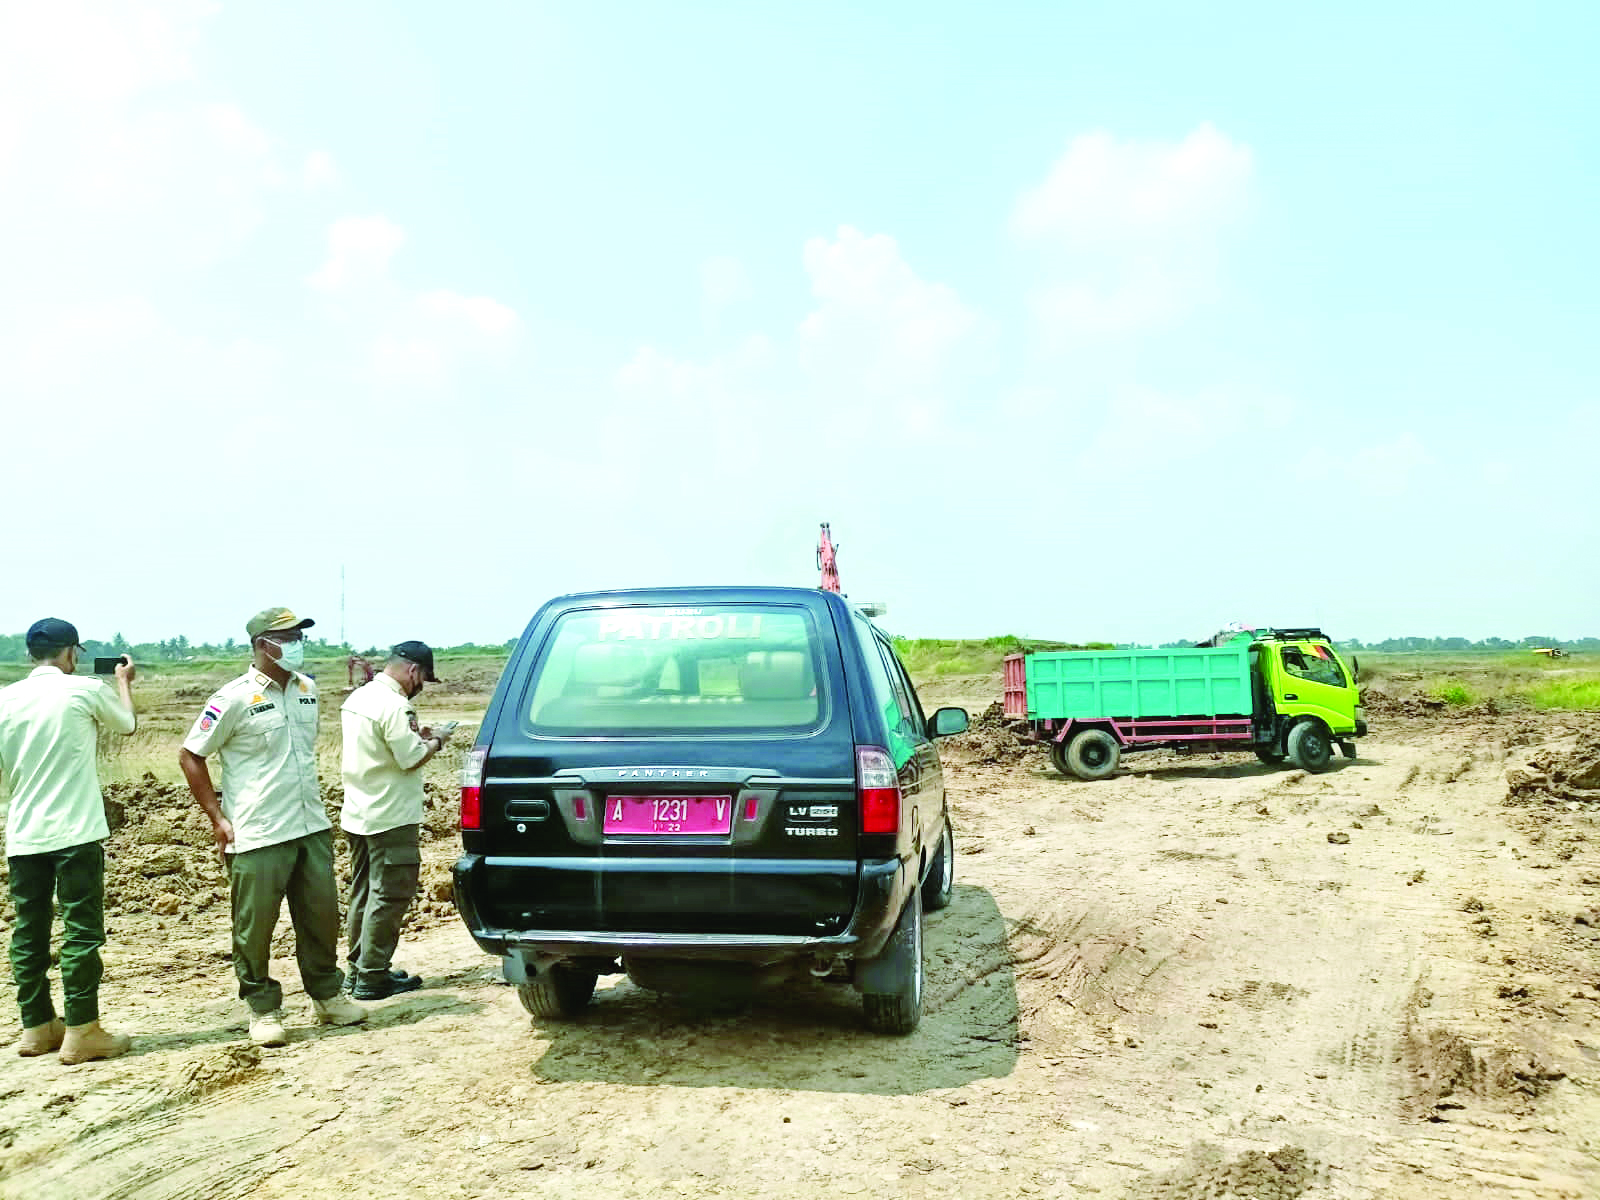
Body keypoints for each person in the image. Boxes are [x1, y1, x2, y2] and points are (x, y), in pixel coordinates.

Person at [177, 607, 367, 1046]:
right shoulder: (233, 698)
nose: (299, 643)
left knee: (320, 917)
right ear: (265, 645)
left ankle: (326, 995)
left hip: (309, 826)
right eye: (290, 636)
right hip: (258, 831)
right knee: (255, 927)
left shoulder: (307, 689)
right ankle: (263, 1009)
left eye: (300, 635)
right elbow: (191, 755)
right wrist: (217, 818)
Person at [0, 619, 136, 1064]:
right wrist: (122, 682)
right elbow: (127, 724)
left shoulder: (6, 699)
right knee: (81, 931)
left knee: (29, 931)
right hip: (75, 831)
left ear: (29, 655)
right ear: (72, 653)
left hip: (23, 832)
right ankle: (82, 1029)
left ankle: (36, 1026)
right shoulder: (82, 689)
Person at [340, 641, 452, 1000]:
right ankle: (373, 975)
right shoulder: (395, 706)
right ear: (414, 671)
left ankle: (356, 970)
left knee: (363, 893)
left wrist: (416, 738)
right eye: (422, 680)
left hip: (359, 810)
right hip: (391, 816)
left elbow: (384, 747)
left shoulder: (360, 698)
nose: (419, 688)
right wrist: (437, 741)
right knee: (389, 896)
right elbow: (410, 759)